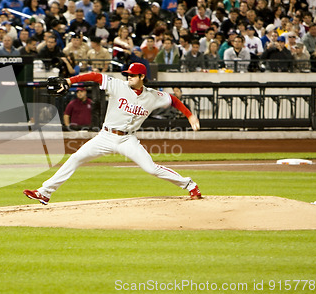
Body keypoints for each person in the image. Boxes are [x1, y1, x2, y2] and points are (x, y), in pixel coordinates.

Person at [23, 62, 202, 205]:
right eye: (128, 74)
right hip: (105, 136)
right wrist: (70, 81)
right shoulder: (118, 85)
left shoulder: (153, 96)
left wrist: (190, 116)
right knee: (76, 158)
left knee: (151, 168)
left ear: (142, 77)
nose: (129, 77)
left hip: (127, 139)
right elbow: (94, 76)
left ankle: (190, 185)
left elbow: (173, 100)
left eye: (132, 75)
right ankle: (45, 193)